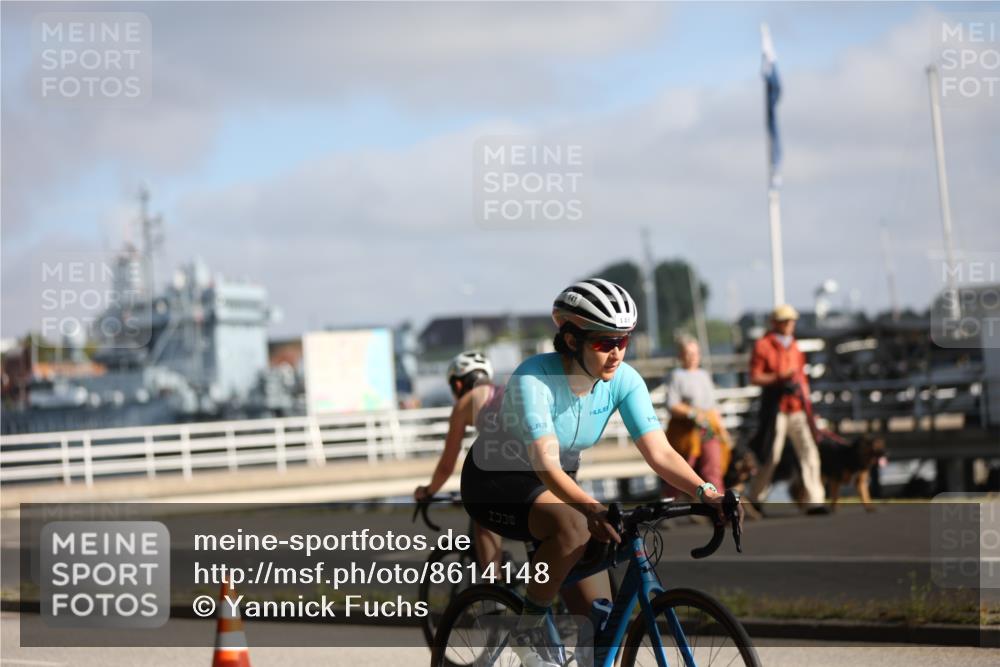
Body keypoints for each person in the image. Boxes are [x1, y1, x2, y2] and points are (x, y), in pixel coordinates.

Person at [461, 278, 738, 667]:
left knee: (601, 628)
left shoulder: (624, 380)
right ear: (571, 340)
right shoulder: (534, 378)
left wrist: (707, 492)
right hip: (497, 481)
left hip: (559, 483)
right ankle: (527, 628)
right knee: (574, 524)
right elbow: (545, 464)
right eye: (604, 343)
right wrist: (591, 508)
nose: (616, 353)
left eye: (623, 341)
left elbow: (660, 452)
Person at [414, 351, 503, 568]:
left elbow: (447, 465)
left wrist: (428, 491)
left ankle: (494, 586)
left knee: (482, 515)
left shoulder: (465, 403)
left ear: (459, 384)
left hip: (507, 469)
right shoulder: (505, 392)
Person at [745, 304, 827, 515]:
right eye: (786, 321)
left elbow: (802, 378)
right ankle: (755, 498)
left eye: (792, 321)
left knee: (809, 452)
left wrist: (809, 407)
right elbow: (755, 377)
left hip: (797, 407)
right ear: (776, 323)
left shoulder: (794, 346)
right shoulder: (763, 345)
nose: (791, 324)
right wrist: (778, 378)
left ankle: (815, 500)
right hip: (776, 409)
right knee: (771, 455)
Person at [662, 335, 732, 499]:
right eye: (689, 353)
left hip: (706, 428)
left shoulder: (704, 375)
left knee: (713, 466)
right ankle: (670, 505)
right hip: (685, 431)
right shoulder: (677, 376)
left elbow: (712, 407)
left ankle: (718, 503)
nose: (693, 357)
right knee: (682, 469)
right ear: (681, 355)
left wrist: (722, 429)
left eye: (696, 353)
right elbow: (672, 405)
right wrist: (692, 413)